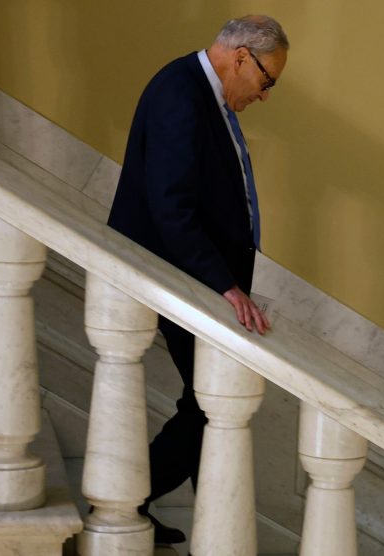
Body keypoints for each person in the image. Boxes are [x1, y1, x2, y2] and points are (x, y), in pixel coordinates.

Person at [106, 15, 289, 545]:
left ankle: (166, 509)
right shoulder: (181, 94)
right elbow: (171, 206)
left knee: (209, 402)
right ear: (240, 58)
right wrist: (225, 285)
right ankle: (126, 501)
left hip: (195, 275)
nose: (265, 94)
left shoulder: (197, 90)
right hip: (179, 274)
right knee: (210, 403)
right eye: (267, 80)